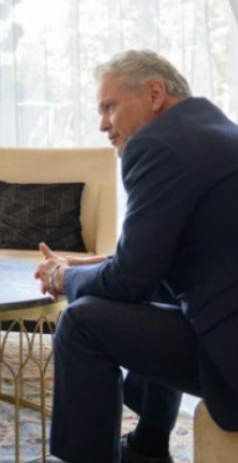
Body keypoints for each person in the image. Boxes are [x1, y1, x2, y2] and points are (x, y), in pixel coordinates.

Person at [34, 49, 238, 463]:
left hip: (229, 356)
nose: (103, 125)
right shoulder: (212, 130)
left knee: (82, 322)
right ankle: (148, 447)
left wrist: (61, 278)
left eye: (109, 107)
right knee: (159, 289)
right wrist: (84, 265)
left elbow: (129, 280)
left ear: (155, 94)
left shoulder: (156, 145)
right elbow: (156, 255)